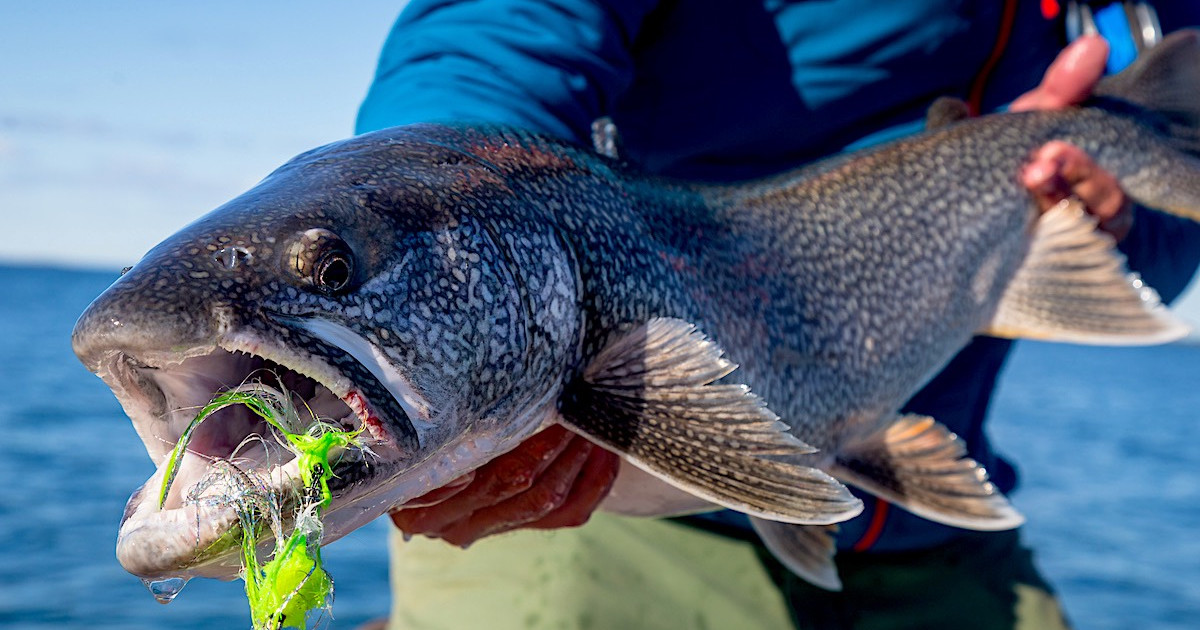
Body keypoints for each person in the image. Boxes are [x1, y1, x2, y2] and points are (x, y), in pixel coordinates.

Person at [354, 2, 1200, 628]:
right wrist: (423, 218)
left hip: (918, 530)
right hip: (599, 501)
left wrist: (1111, 225)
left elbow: (1161, 260)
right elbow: (492, 33)